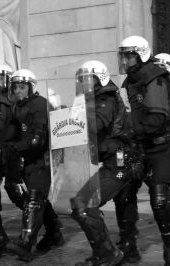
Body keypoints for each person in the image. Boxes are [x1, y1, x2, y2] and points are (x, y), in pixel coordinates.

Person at [70, 60, 144, 265]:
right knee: (122, 203)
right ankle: (123, 251)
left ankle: (108, 253)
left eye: (87, 80)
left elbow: (98, 123)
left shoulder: (106, 98)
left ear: (99, 78)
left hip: (122, 161)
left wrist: (73, 120)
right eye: (81, 81)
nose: (83, 84)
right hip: (115, 159)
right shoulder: (93, 99)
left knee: (83, 203)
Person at [117, 35, 170, 265]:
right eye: (124, 56)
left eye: (128, 56)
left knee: (159, 201)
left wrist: (132, 132)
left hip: (161, 146)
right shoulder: (132, 80)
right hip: (140, 146)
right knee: (124, 193)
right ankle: (128, 245)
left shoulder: (154, 77)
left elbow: (157, 117)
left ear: (141, 54)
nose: (125, 61)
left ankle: (169, 246)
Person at [1, 68, 60, 262]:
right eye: (15, 87)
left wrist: (15, 147)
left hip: (41, 159)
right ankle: (54, 232)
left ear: (31, 87)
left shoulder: (40, 104)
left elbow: (37, 140)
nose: (18, 91)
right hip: (26, 159)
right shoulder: (16, 106)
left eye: (21, 87)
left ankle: (26, 243)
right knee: (34, 199)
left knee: (34, 200)